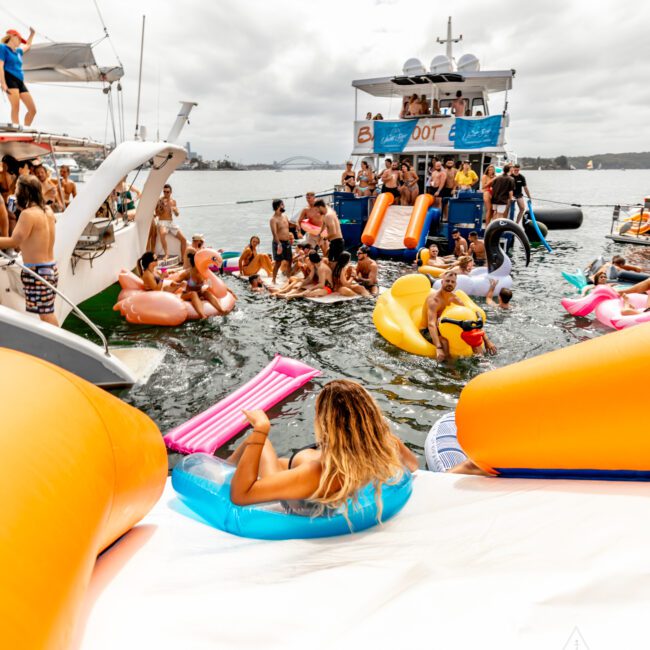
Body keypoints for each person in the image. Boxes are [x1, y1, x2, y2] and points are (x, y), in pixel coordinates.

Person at [227, 380, 419, 510]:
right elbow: (412, 466)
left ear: (326, 421)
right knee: (280, 459)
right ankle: (227, 464)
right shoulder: (382, 443)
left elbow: (241, 496)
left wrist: (261, 429)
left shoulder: (318, 472)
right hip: (308, 473)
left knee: (260, 444)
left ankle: (222, 470)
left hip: (295, 495)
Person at [0, 175, 58, 326]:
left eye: (17, 188)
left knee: (46, 315)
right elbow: (33, 233)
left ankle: (59, 348)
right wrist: (19, 208)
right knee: (46, 313)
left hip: (37, 272)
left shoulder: (28, 215)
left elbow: (14, 241)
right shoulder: (48, 211)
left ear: (24, 191)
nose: (15, 191)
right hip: (50, 268)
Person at [423, 270, 497, 362]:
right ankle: (451, 370)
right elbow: (431, 324)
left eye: (452, 282)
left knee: (473, 337)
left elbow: (471, 320)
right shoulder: (434, 300)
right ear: (442, 282)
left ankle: (483, 363)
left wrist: (487, 341)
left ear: (455, 284)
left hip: (447, 327)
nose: (450, 283)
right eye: (447, 281)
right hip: (430, 331)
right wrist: (438, 347)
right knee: (445, 343)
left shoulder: (455, 299)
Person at [175, 251, 230, 319]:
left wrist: (227, 289)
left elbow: (213, 283)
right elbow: (174, 282)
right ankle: (202, 315)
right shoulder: (187, 273)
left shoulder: (203, 273)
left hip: (199, 293)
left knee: (207, 293)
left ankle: (221, 310)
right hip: (187, 294)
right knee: (193, 293)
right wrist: (180, 284)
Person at [0, 28, 36, 126]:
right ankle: (16, 131)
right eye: (19, 39)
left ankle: (25, 130)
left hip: (20, 81)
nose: (20, 42)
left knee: (32, 110)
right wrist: (3, 83)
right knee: (16, 107)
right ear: (12, 36)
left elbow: (28, 45)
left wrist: (32, 34)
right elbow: (0, 66)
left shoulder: (19, 51)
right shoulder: (3, 48)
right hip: (9, 79)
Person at [154, 184, 186, 261]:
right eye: (164, 191)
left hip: (171, 223)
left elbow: (177, 215)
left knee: (184, 239)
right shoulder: (159, 200)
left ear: (171, 192)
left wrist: (175, 211)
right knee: (163, 233)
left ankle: (183, 259)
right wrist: (161, 208)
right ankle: (166, 254)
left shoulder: (173, 201)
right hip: (162, 222)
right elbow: (157, 214)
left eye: (167, 192)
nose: (165, 193)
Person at [315, 199, 345, 265]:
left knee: (333, 264)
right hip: (335, 242)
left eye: (317, 209)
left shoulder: (328, 216)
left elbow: (333, 232)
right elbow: (324, 223)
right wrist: (319, 235)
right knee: (329, 261)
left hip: (336, 242)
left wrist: (324, 239)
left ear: (320, 207)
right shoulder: (329, 211)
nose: (317, 212)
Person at [270, 198, 292, 283]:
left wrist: (296, 225)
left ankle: (288, 278)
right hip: (278, 243)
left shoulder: (285, 216)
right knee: (278, 262)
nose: (284, 206)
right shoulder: (273, 219)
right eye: (282, 204)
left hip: (287, 242)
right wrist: (279, 244)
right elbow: (274, 234)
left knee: (290, 261)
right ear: (278, 206)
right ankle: (274, 279)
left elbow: (289, 224)